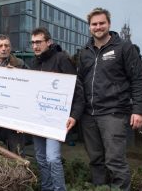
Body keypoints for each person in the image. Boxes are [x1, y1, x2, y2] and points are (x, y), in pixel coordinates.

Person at [78, 8, 142, 190]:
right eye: (94, 24)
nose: (98, 27)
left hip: (113, 114)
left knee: (115, 161)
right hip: (89, 115)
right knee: (95, 160)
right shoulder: (85, 51)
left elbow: (138, 79)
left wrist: (138, 110)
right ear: (89, 27)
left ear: (109, 24)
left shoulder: (124, 48)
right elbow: (78, 82)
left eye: (102, 23)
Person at [30, 27, 85, 191]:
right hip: (37, 119)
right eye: (33, 43)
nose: (35, 46)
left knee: (52, 158)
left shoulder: (61, 59)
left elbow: (77, 90)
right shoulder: (34, 63)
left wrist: (74, 116)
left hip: (55, 120)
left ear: (49, 42)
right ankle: (46, 187)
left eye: (38, 42)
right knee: (40, 158)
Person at [0, 35, 28, 156]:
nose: (3, 48)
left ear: (10, 48)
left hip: (13, 118)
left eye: (6, 45)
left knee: (16, 154)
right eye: (0, 46)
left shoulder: (20, 64)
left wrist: (17, 75)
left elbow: (30, 89)